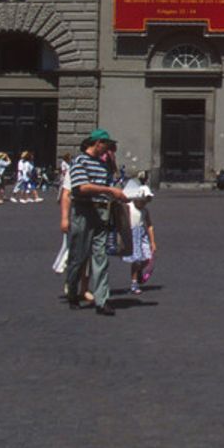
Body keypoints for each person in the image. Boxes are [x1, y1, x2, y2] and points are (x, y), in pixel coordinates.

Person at [67, 129, 128, 316]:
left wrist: (121, 196)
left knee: (100, 256)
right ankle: (72, 291)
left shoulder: (103, 166)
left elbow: (110, 186)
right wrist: (109, 191)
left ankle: (102, 300)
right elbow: (81, 187)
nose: (108, 149)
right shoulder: (79, 161)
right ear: (97, 143)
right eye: (107, 145)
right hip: (83, 212)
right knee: (79, 256)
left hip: (102, 211)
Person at [121, 177, 157, 295]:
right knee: (136, 261)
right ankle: (134, 283)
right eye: (143, 200)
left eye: (146, 201)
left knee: (147, 258)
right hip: (132, 234)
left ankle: (139, 272)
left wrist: (152, 242)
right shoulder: (129, 207)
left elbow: (149, 225)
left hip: (142, 234)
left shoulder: (145, 211)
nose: (144, 203)